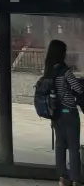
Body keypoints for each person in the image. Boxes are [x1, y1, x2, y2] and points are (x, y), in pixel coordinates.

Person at [43, 39, 84, 186]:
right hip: (69, 112)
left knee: (60, 145)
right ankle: (75, 179)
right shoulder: (65, 71)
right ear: (61, 53)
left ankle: (62, 177)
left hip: (56, 114)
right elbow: (78, 89)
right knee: (73, 147)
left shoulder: (48, 70)